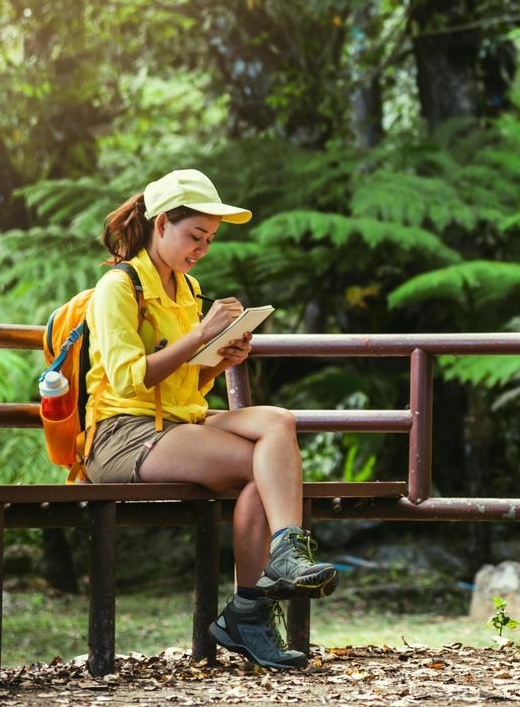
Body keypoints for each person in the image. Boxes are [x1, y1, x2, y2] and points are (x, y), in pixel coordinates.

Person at [83, 168, 336, 670]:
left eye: (209, 240)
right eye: (194, 236)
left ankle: (275, 568)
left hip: (178, 421)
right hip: (121, 434)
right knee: (260, 468)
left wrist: (220, 359)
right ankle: (251, 608)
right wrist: (201, 336)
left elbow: (185, 384)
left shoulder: (188, 287)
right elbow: (130, 379)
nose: (201, 248)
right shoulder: (117, 285)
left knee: (278, 423)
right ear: (160, 226)